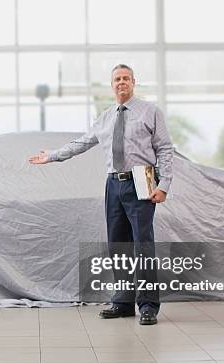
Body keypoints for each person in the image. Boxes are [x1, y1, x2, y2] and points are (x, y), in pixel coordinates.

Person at [28, 64, 174, 325]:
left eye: (126, 78)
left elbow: (165, 148)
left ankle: (149, 305)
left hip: (142, 180)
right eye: (117, 79)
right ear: (112, 85)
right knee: (118, 246)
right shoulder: (106, 118)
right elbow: (81, 143)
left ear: (133, 82)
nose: (121, 83)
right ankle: (123, 302)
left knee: (143, 245)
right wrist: (51, 156)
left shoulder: (150, 112)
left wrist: (164, 185)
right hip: (114, 184)